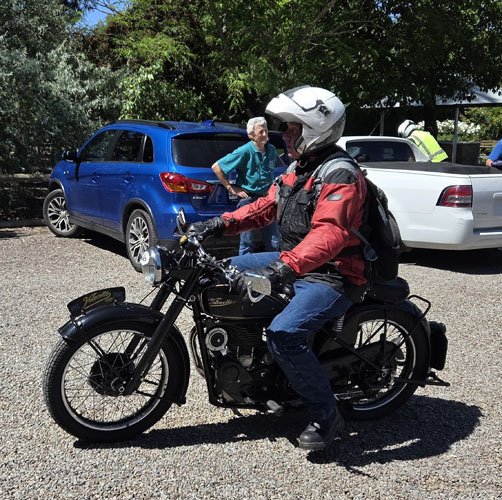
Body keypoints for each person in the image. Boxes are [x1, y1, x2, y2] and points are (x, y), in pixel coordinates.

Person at [189, 86, 369, 450]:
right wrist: (219, 224)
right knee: (219, 272)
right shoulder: (297, 169)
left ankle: (326, 413)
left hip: (332, 273)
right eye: (285, 127)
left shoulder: (340, 174)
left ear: (316, 129)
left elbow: (331, 234)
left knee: (284, 334)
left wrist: (281, 269)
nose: (284, 134)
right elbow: (265, 208)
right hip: (296, 262)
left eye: (292, 128)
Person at [211, 117, 280, 254]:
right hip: (249, 199)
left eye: (266, 131)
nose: (265, 135)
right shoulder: (244, 151)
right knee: (248, 241)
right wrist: (230, 187)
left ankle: (274, 265)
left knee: (274, 240)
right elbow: (216, 167)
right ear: (251, 135)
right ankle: (243, 266)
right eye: (261, 132)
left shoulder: (271, 150)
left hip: (267, 199)